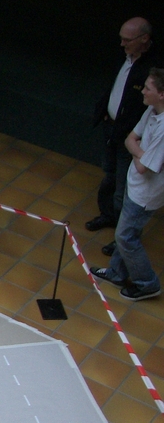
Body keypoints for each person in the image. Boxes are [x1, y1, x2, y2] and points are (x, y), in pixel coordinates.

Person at [92, 67, 164, 302]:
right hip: (135, 186)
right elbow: (130, 139)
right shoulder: (151, 110)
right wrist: (141, 152)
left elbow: (144, 167)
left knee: (125, 238)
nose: (142, 91)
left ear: (161, 94)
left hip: (146, 195)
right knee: (128, 233)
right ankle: (117, 272)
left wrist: (138, 151)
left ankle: (147, 283)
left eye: (148, 88)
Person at [87, 18, 156, 237]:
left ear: (144, 39)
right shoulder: (123, 57)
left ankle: (122, 235)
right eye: (121, 39)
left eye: (127, 40)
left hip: (130, 136)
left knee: (123, 186)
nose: (122, 44)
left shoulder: (153, 69)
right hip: (110, 127)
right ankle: (107, 215)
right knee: (109, 174)